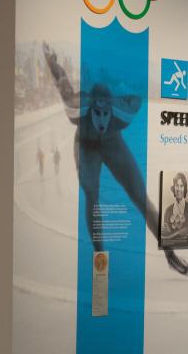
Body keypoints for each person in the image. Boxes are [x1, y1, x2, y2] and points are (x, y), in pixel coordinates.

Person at [43, 42, 188, 274]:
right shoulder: (77, 108)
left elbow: (138, 87)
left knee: (141, 198)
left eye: (105, 114)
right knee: (92, 196)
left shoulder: (124, 111)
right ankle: (99, 260)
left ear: (113, 110)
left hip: (113, 144)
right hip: (86, 146)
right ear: (90, 109)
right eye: (96, 114)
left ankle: (171, 254)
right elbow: (64, 84)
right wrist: (53, 63)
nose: (100, 119)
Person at [163, 172, 188, 243]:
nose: (179, 189)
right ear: (174, 188)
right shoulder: (167, 211)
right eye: (177, 185)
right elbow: (165, 234)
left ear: (185, 188)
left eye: (181, 186)